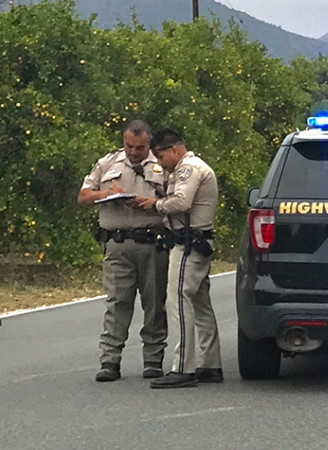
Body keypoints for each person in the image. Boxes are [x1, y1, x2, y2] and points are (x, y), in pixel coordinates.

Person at [78, 120, 169, 382]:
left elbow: (178, 200)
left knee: (154, 304)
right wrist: (105, 193)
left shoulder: (162, 165)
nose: (133, 151)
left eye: (139, 147)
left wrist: (152, 204)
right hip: (117, 244)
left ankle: (153, 360)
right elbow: (83, 196)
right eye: (129, 146)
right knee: (117, 302)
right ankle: (110, 361)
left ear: (149, 144)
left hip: (152, 243)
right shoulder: (108, 163)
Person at [134, 128, 222, 389]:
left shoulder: (188, 169)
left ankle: (184, 367)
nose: (160, 163)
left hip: (189, 243)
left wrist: (154, 204)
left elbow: (181, 202)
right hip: (197, 239)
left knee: (178, 300)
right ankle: (210, 362)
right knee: (200, 302)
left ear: (174, 150)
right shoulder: (191, 167)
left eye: (161, 156)